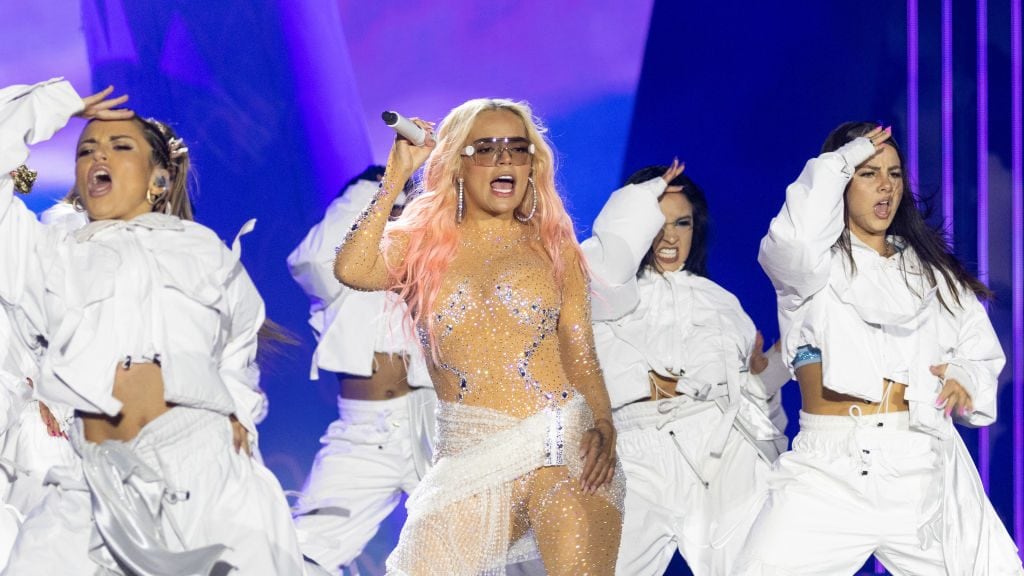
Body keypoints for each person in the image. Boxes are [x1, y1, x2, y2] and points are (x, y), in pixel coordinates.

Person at [0, 78, 304, 575]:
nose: (99, 155)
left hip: (202, 461)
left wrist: (239, 424)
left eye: (121, 146)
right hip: (91, 475)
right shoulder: (45, 254)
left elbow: (237, 350)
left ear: (158, 181)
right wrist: (54, 105)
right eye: (86, 149)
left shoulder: (204, 250)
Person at [334, 99, 625, 576]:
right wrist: (394, 178)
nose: (505, 159)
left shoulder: (553, 246)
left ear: (533, 163)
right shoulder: (420, 245)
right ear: (457, 164)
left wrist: (604, 427)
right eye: (486, 148)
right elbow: (353, 269)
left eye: (517, 147)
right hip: (469, 455)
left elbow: (580, 350)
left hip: (560, 441)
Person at [736, 123, 1023, 574]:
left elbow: (978, 349)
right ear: (841, 179)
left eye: (894, 172)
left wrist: (963, 378)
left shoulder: (932, 274)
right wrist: (840, 158)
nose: (886, 184)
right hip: (828, 472)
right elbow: (792, 240)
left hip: (917, 465)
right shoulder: (810, 268)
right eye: (868, 173)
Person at [581, 161, 789, 576]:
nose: (670, 235)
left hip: (717, 448)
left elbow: (753, 392)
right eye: (657, 222)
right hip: (634, 450)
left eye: (683, 222)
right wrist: (648, 191)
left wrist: (771, 372)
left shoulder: (724, 303)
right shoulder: (603, 291)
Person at [288, 165, 434, 575]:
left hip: (435, 421)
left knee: (485, 553)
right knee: (304, 554)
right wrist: (379, 189)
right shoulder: (339, 272)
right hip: (366, 433)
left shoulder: (423, 263)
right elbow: (313, 262)